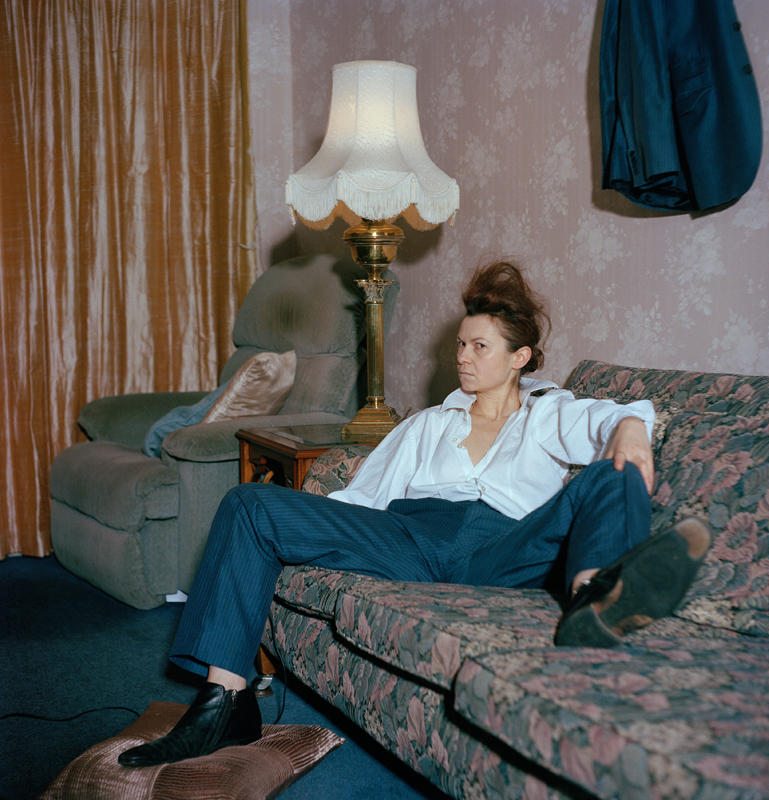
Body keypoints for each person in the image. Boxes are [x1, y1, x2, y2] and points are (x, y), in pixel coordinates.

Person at [119, 260, 709, 768]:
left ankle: (596, 602)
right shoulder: (429, 422)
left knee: (613, 471)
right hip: (412, 539)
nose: (463, 357)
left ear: (519, 357)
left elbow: (612, 416)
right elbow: (365, 498)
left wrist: (630, 428)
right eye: (461, 344)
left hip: (501, 551)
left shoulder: (548, 412)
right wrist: (306, 530)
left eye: (480, 347)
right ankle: (225, 703)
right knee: (250, 503)